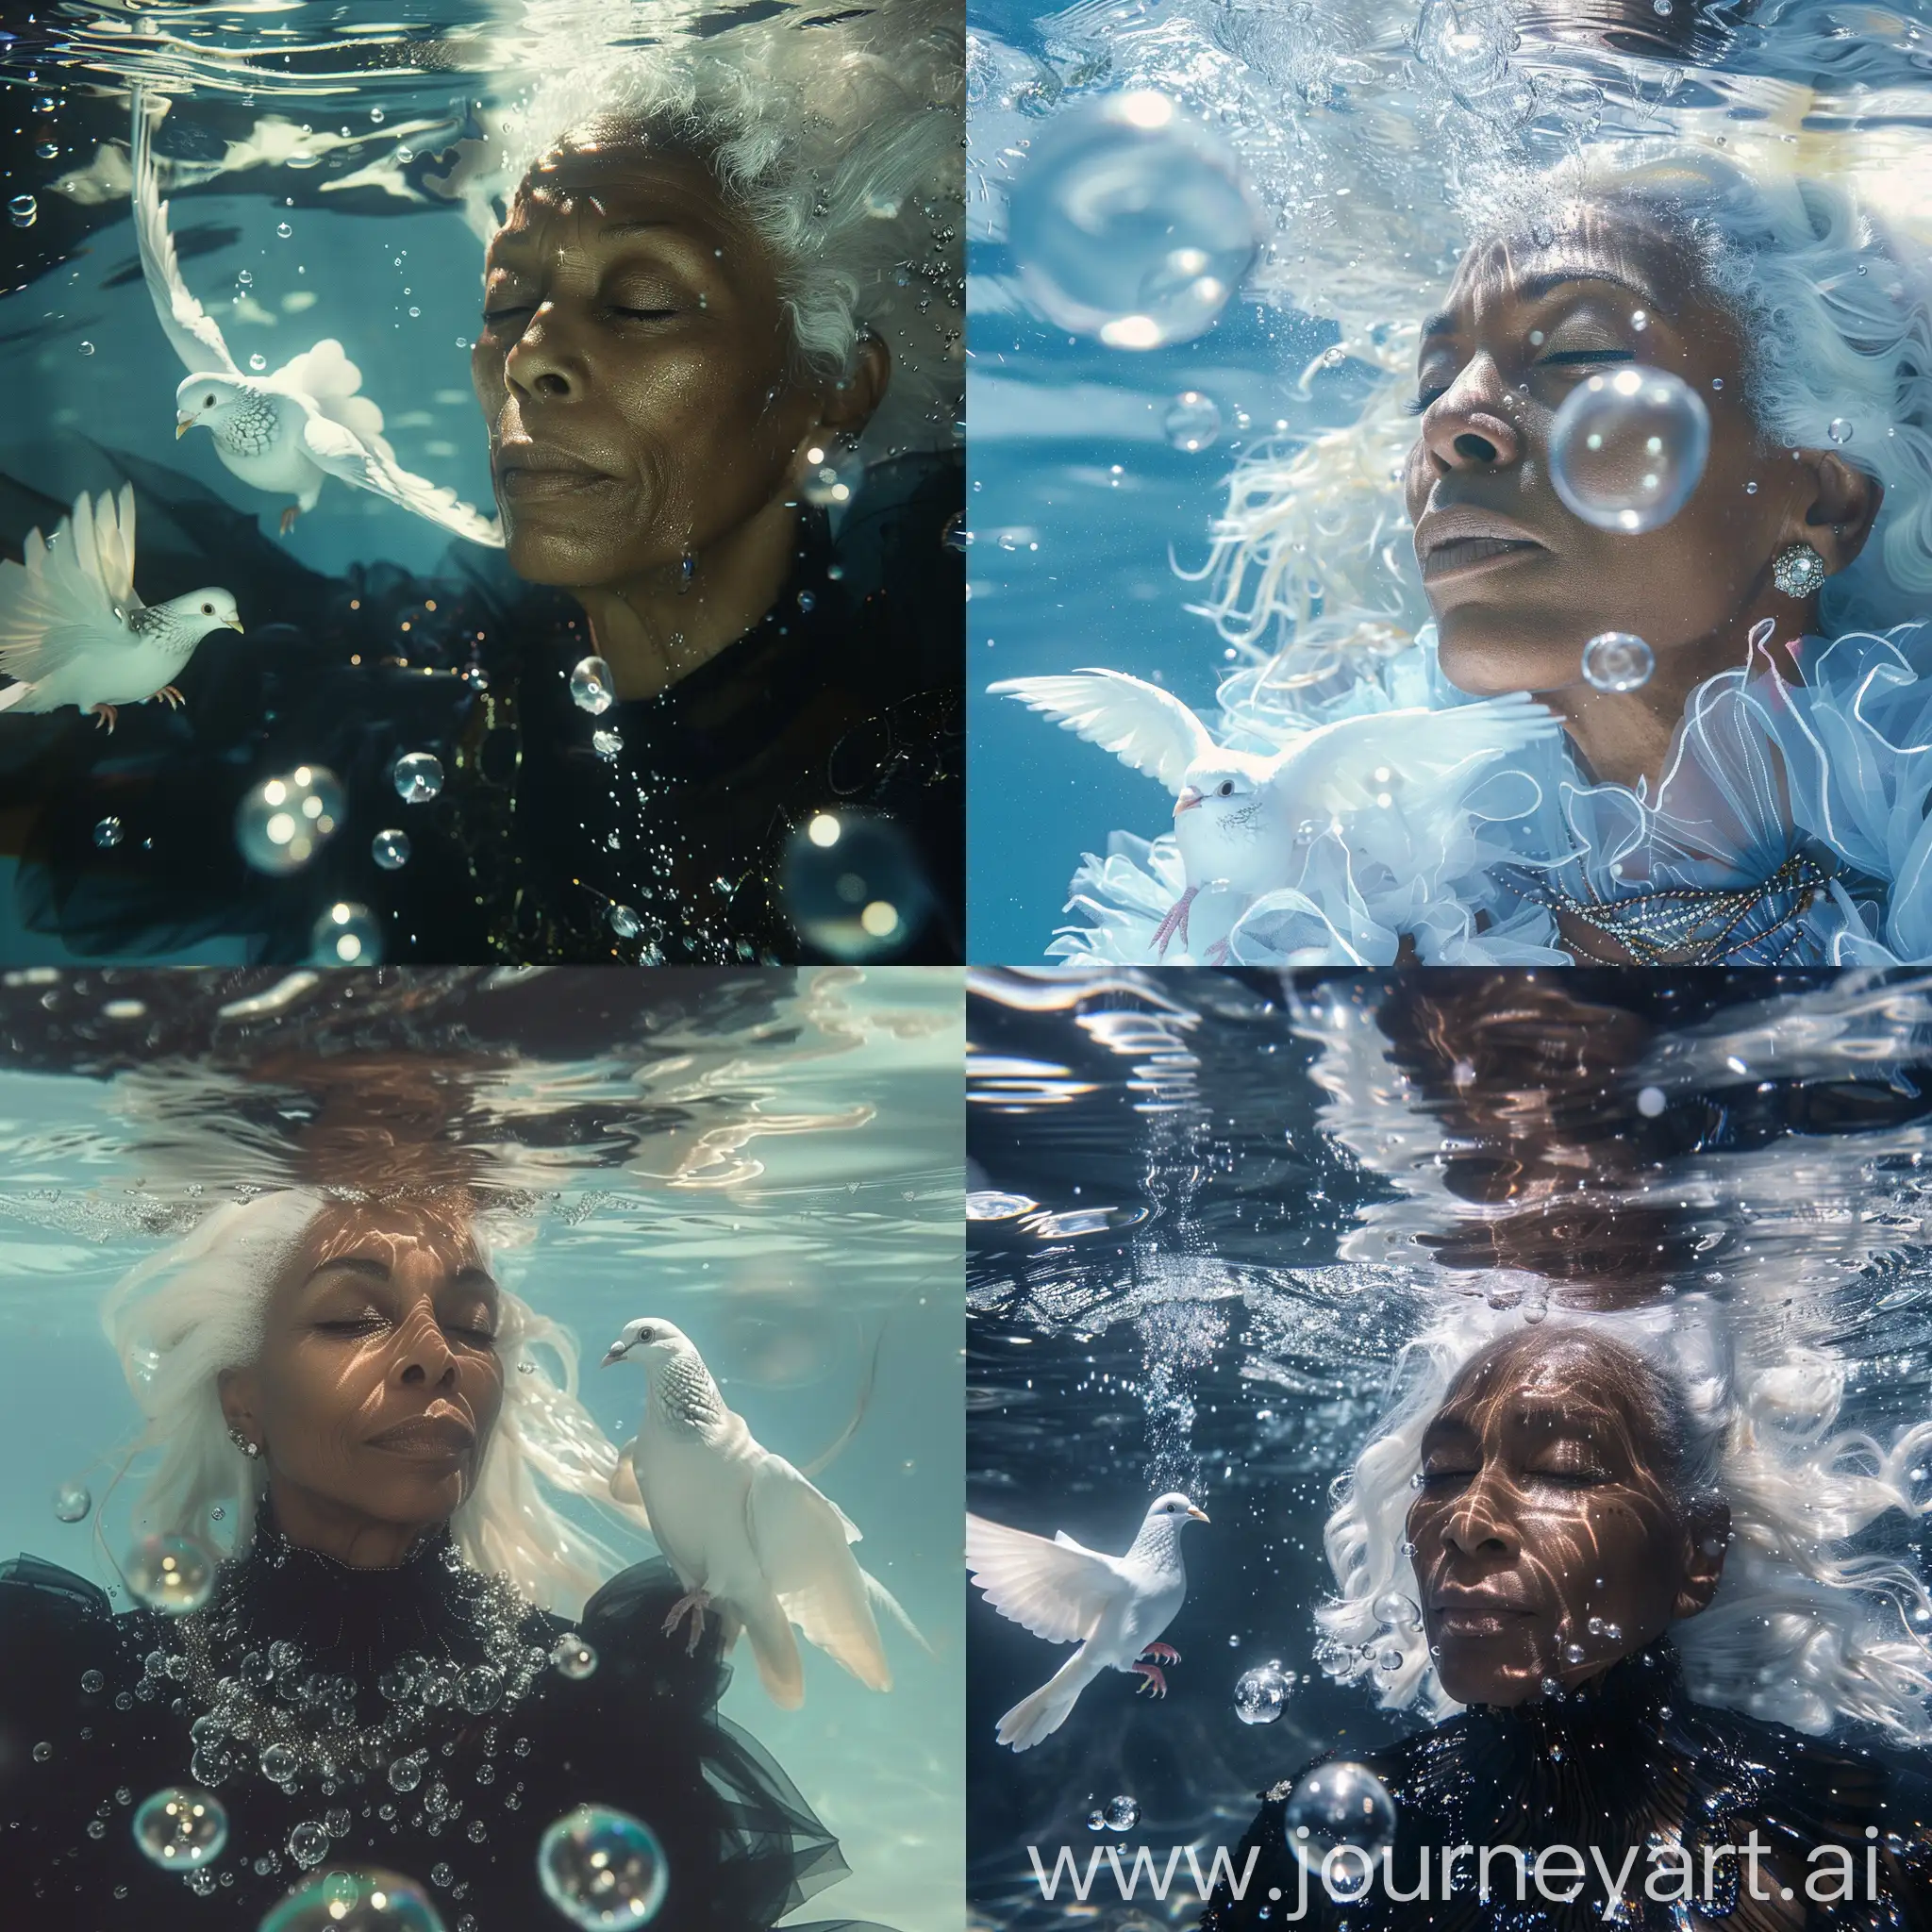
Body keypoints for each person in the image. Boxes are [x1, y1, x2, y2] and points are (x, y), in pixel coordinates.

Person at [0, 2, 963, 966]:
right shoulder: (425, 717)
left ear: (837, 383)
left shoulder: (956, 762)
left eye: (639, 302)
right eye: (507, 300)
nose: (527, 354)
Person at [1016, 138, 1932, 968]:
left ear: (1820, 502)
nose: (1450, 417)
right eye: (1430, 386)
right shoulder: (1323, 879)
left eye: (1577, 352)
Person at [0, 1191, 890, 1929]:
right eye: (353, 1317)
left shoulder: (604, 1718)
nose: (436, 1359)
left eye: (472, 1326)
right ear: (244, 1402)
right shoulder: (75, 1706)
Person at [1199, 1316, 1932, 1928]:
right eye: (1445, 1473)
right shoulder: (1311, 1842)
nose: (1467, 1520)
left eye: (1564, 1468)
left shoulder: (1869, 1835)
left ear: (1698, 1554)